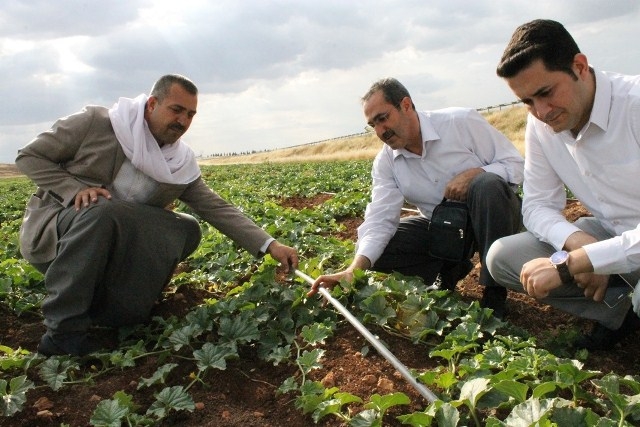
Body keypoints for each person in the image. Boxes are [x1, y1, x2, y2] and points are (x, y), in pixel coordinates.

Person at [15, 74, 298, 356]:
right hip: (60, 230)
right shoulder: (97, 123)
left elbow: (216, 207)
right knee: (102, 212)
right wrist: (74, 188)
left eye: (190, 114)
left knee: (185, 229)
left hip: (114, 244)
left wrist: (270, 245)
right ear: (151, 104)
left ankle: (117, 312)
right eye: (176, 110)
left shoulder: (178, 162)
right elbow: (30, 156)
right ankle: (61, 334)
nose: (183, 121)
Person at [309, 77, 524, 316]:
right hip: (444, 228)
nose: (381, 131)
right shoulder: (386, 162)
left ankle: (495, 289)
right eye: (373, 125)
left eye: (383, 118)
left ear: (407, 105)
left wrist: (477, 173)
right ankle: (450, 266)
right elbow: (380, 219)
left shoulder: (459, 122)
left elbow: (515, 165)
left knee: (486, 184)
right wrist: (353, 269)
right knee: (377, 251)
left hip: (495, 217)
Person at [486, 19, 640, 351]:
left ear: (580, 67)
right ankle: (621, 312)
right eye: (527, 101)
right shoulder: (541, 123)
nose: (540, 111)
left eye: (545, 92)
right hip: (609, 233)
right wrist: (580, 244)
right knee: (503, 258)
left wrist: (581, 262)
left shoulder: (635, 105)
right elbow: (537, 205)